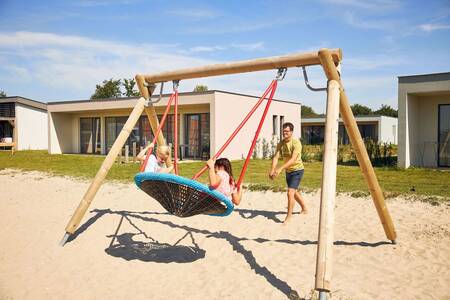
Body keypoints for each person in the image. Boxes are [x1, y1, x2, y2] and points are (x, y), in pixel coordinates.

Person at [269, 122, 307, 224]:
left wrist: (280, 168)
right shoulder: (281, 143)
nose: (284, 133)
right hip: (288, 171)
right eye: (283, 131)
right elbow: (276, 157)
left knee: (290, 192)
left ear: (291, 132)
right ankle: (304, 208)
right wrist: (272, 169)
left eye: (287, 131)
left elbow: (293, 159)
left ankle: (288, 217)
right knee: (294, 192)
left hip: (297, 170)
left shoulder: (296, 143)